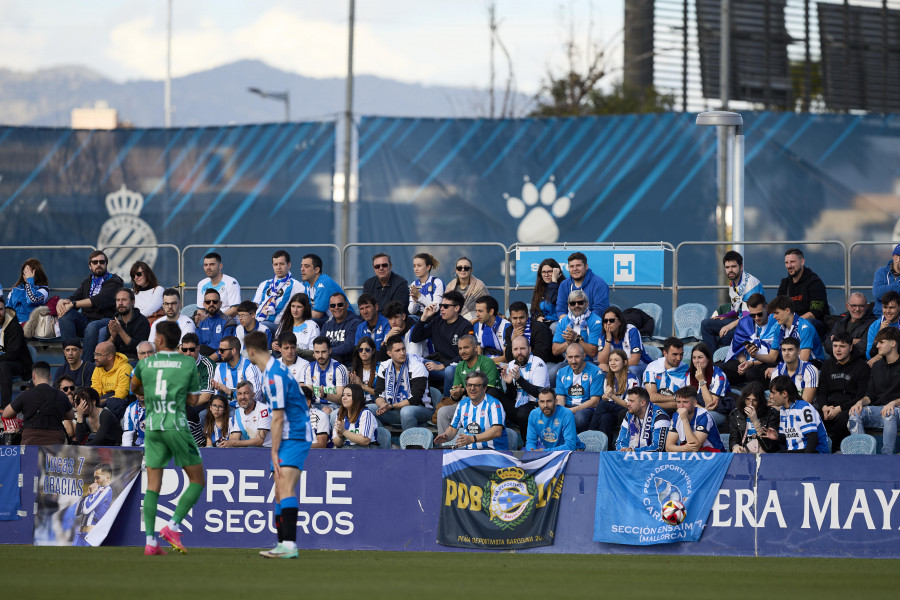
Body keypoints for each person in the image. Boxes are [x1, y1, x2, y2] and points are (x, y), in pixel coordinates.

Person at [133, 320, 206, 555]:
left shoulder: (145, 364)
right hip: (175, 425)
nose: (154, 340)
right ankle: (172, 526)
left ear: (161, 340)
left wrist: (153, 391)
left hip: (152, 427)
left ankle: (150, 542)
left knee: (153, 485)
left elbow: (135, 388)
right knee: (197, 480)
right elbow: (194, 401)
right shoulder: (187, 362)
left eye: (155, 337)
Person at [56, 251, 124, 359]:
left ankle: (86, 366)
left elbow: (99, 300)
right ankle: (71, 361)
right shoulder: (88, 281)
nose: (98, 264)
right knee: (66, 316)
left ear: (106, 264)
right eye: (95, 262)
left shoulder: (114, 281)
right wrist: (63, 301)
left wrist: (73, 304)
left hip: (106, 320)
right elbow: (75, 297)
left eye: (102, 262)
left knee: (91, 327)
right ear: (90, 266)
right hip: (86, 320)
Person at [409, 290, 475, 395]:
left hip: (455, 366)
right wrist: (423, 318)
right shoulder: (437, 321)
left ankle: (447, 401)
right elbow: (415, 338)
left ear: (457, 308)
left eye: (445, 306)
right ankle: (422, 400)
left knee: (449, 370)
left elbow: (467, 353)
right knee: (413, 362)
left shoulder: (465, 326)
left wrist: (442, 366)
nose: (442, 309)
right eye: (441, 305)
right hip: (438, 362)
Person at [848, 327, 900, 455]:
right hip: (881, 410)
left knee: (890, 413)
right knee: (855, 413)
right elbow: (871, 394)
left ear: (893, 343)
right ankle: (863, 455)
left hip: (896, 410)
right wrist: (860, 402)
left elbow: (892, 407)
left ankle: (886, 456)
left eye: (881, 342)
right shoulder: (876, 366)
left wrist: (893, 403)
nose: (877, 346)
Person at [436, 334, 503, 433]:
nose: (462, 351)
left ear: (475, 348)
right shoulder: (460, 366)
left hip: (489, 404)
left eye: (466, 347)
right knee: (443, 412)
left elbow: (488, 390)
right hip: (468, 402)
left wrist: (463, 390)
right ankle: (446, 446)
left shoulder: (487, 363)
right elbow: (456, 395)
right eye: (460, 348)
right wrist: (455, 394)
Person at [700, 250, 765, 351]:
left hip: (753, 324)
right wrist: (723, 316)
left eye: (733, 267)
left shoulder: (751, 284)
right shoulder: (732, 284)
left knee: (727, 335)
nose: (730, 270)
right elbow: (736, 311)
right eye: (727, 267)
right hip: (740, 321)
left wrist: (729, 326)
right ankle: (713, 360)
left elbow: (750, 316)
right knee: (706, 324)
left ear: (741, 267)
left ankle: (722, 360)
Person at [816, 332, 869, 450]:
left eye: (842, 346)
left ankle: (836, 452)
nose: (838, 350)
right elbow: (822, 392)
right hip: (831, 405)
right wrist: (825, 407)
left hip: (852, 406)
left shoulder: (862, 366)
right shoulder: (827, 365)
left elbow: (860, 396)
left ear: (850, 347)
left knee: (841, 420)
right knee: (815, 416)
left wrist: (839, 409)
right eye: (835, 346)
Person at [371, 335, 433, 430]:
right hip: (394, 409)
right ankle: (384, 440)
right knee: (368, 409)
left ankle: (410, 443)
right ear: (389, 353)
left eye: (403, 349)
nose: (402, 353)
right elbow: (378, 394)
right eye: (397, 350)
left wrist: (391, 406)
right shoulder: (384, 366)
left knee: (406, 411)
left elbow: (415, 399)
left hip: (420, 409)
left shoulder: (417, 366)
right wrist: (382, 405)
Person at [2, 361, 73, 445]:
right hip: (55, 443)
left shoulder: (25, 395)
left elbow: (6, 414)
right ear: (50, 376)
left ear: (33, 376)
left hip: (30, 442)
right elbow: (70, 416)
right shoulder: (61, 395)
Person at [434, 371, 508, 450]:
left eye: (477, 385)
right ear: (466, 387)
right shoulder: (462, 405)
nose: (472, 388)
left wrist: (472, 439)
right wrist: (446, 436)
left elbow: (497, 431)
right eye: (469, 385)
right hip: (470, 452)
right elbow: (452, 428)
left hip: (493, 451)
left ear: (484, 388)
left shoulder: (493, 404)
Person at [718, 293, 779, 385]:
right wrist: (743, 363)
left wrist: (752, 363)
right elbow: (737, 347)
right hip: (747, 361)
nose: (757, 318)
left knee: (752, 374)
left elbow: (775, 357)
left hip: (766, 363)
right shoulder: (744, 322)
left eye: (760, 314)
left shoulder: (777, 322)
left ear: (766, 307)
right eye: (753, 315)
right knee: (719, 369)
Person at [765, 375, 829, 453]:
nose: (771, 396)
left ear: (784, 393)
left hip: (816, 453)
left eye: (773, 393)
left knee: (777, 457)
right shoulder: (783, 410)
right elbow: (789, 438)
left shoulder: (804, 408)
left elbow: (813, 439)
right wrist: (777, 437)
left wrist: (803, 461)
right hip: (796, 453)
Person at [550, 289, 603, 384]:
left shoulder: (596, 321)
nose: (576, 306)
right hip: (569, 361)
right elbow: (555, 350)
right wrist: (568, 343)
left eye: (580, 302)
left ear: (587, 304)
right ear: (569, 305)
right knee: (552, 374)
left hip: (589, 362)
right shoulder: (563, 321)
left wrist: (577, 339)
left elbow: (593, 352)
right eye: (573, 303)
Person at [502, 335, 549, 439]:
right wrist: (509, 383)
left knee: (523, 412)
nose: (519, 352)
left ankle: (526, 443)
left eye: (522, 348)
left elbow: (539, 393)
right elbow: (512, 396)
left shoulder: (538, 363)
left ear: (529, 349)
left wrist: (519, 379)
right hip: (517, 405)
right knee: (494, 394)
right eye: (515, 349)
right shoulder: (511, 364)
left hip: (535, 404)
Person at [777, 248, 829, 336]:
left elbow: (815, 313)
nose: (789, 266)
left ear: (802, 262)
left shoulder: (814, 282)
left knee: (806, 324)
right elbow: (778, 308)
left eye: (792, 262)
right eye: (786, 263)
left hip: (813, 324)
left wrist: (793, 323)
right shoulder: (785, 283)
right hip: (789, 323)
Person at [555, 343, 604, 433]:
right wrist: (561, 412)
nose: (573, 361)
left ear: (584, 356)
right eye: (570, 357)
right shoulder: (561, 372)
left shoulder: (595, 371)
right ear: (566, 357)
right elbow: (560, 397)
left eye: (577, 357)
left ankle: (580, 444)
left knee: (579, 418)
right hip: (568, 407)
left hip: (587, 408)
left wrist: (573, 410)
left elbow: (595, 401)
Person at [179, 332, 216, 447]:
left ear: (198, 348)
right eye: (185, 350)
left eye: (191, 349)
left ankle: (199, 442)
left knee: (189, 411)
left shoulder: (207, 365)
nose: (188, 353)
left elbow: (206, 397)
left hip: (202, 402)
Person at [252, 250, 303, 331]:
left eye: (282, 264)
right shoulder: (264, 284)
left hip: (278, 325)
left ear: (289, 265)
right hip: (258, 320)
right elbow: (255, 305)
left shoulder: (297, 286)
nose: (278, 267)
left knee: (259, 327)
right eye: (276, 264)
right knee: (238, 324)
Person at [768, 295, 826, 366]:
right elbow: (772, 357)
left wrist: (779, 370)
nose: (774, 316)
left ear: (787, 311)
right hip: (789, 364)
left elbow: (804, 360)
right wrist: (754, 356)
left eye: (776, 313)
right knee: (758, 372)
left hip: (812, 364)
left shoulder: (805, 327)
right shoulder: (779, 328)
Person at [598, 306, 652, 378]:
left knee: (631, 370)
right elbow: (602, 361)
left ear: (620, 321)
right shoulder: (604, 334)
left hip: (640, 365)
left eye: (611, 320)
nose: (608, 323)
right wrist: (608, 340)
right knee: (599, 370)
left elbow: (635, 360)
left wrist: (612, 368)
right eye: (605, 321)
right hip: (616, 366)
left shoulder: (631, 331)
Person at [665, 386, 725, 452]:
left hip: (714, 453)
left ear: (694, 403)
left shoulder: (704, 416)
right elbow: (668, 447)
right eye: (678, 402)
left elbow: (695, 446)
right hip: (689, 452)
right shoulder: (676, 416)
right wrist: (684, 448)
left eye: (685, 402)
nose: (681, 406)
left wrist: (685, 420)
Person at [298, 336, 349, 413]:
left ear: (330, 351)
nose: (320, 356)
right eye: (317, 352)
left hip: (335, 405)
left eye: (323, 352)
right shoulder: (308, 368)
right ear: (313, 353)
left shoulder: (339, 369)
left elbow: (341, 398)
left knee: (326, 411)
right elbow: (308, 394)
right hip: (315, 404)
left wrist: (325, 395)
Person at [687, 343, 731, 428]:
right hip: (698, 407)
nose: (696, 361)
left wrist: (701, 381)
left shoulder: (719, 376)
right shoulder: (689, 374)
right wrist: (703, 409)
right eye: (694, 357)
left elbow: (711, 403)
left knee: (701, 418)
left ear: (708, 359)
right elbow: (686, 399)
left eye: (700, 357)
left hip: (716, 411)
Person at [727, 381, 780, 453]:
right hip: (744, 452)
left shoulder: (771, 414)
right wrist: (735, 447)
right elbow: (734, 438)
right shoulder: (736, 414)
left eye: (754, 400)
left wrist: (755, 421)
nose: (750, 404)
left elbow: (769, 447)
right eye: (747, 399)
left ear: (760, 401)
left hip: (764, 454)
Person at [554, 252, 610, 319]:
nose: (575, 269)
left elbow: (600, 310)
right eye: (571, 266)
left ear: (586, 267)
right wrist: (570, 323)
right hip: (569, 323)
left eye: (578, 265)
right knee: (554, 327)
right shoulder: (564, 285)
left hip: (592, 323)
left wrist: (581, 323)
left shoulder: (598, 283)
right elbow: (560, 310)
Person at [614, 386, 671, 452]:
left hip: (653, 461)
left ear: (642, 403)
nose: (628, 404)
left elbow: (657, 447)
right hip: (630, 459)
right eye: (628, 400)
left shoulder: (660, 417)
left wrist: (633, 451)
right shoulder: (629, 415)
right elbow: (621, 442)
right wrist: (623, 450)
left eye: (631, 401)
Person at [0, 294, 32, 408]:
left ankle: (5, 408)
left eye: (1, 309)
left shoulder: (14, 326)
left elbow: (13, 353)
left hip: (19, 363)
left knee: (4, 366)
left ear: (5, 309)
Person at [220, 380, 272, 448]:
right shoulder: (238, 412)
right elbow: (235, 438)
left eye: (246, 393)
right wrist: (227, 443)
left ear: (253, 395)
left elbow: (259, 441)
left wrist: (233, 443)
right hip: (252, 450)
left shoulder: (264, 410)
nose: (242, 397)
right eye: (239, 394)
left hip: (269, 450)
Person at [211, 336, 263, 404]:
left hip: (246, 409)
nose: (219, 353)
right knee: (203, 414)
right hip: (226, 408)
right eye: (218, 350)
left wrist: (231, 392)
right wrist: (220, 391)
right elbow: (217, 397)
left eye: (222, 350)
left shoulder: (249, 366)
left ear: (233, 351)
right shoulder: (219, 368)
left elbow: (255, 395)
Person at [642, 337, 688, 412]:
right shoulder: (652, 368)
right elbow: (651, 396)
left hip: (677, 412)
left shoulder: (686, 371)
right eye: (675, 354)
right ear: (665, 353)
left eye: (681, 354)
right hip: (652, 412)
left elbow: (685, 402)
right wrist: (675, 398)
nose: (679, 358)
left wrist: (655, 404)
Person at [767, 337, 819, 404]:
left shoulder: (810, 370)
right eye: (784, 350)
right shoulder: (777, 371)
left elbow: (806, 403)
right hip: (781, 410)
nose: (786, 353)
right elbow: (772, 400)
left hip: (804, 412)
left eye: (790, 350)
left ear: (798, 352)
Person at [73, 463, 113, 547]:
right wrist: (87, 495)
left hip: (90, 537)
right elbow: (77, 512)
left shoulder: (107, 490)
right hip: (80, 535)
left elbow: (87, 510)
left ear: (107, 478)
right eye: (95, 477)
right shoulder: (96, 490)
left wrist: (91, 495)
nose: (95, 481)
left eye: (97, 478)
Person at [299, 253, 347, 323]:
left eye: (306, 266)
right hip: (329, 319)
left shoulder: (323, 283)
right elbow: (308, 309)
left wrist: (296, 318)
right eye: (301, 266)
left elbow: (318, 314)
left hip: (345, 320)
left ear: (317, 270)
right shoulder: (307, 283)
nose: (302, 269)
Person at [824, 292, 875, 356]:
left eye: (861, 306)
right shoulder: (840, 322)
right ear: (847, 306)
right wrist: (851, 341)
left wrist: (837, 342)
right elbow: (828, 344)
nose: (857, 309)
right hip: (837, 363)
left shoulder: (873, 325)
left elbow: (863, 349)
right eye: (854, 305)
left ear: (867, 306)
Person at [106, 288, 151, 360]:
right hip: (114, 360)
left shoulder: (142, 321)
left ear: (133, 302)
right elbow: (105, 350)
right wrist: (113, 337)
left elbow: (138, 349)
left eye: (124, 300)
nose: (120, 303)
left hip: (133, 360)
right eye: (118, 300)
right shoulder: (114, 321)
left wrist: (120, 331)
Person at [90, 341, 132, 418]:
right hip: (103, 399)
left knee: (115, 403)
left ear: (109, 357)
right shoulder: (98, 368)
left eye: (98, 355)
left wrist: (102, 401)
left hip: (119, 402)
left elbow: (121, 395)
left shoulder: (125, 368)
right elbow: (95, 390)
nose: (95, 358)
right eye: (95, 354)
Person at [322, 293, 363, 367]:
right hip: (327, 364)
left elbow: (348, 347)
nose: (336, 308)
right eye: (333, 305)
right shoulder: (326, 326)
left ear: (347, 305)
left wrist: (327, 351)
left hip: (348, 366)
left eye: (340, 304)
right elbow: (320, 345)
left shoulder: (356, 323)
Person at [273, 293, 319, 358]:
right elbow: (277, 341)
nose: (295, 310)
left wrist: (297, 351)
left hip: (304, 362)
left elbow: (315, 352)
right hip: (284, 361)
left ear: (305, 308)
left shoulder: (312, 325)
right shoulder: (284, 323)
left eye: (299, 307)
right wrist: (274, 344)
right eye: (293, 306)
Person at [196, 252, 241, 317]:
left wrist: (216, 320)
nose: (208, 268)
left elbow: (235, 309)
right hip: (208, 322)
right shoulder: (201, 284)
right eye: (205, 265)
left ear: (220, 266)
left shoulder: (231, 282)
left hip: (227, 322)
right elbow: (201, 310)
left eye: (211, 264)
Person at [196, 289, 237, 359]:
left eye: (214, 302)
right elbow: (197, 346)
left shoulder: (229, 322)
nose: (211, 304)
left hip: (221, 359)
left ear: (220, 304)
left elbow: (225, 349)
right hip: (203, 358)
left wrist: (207, 363)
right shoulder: (201, 322)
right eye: (208, 302)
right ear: (204, 305)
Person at [6, 258, 49, 324]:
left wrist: (30, 280)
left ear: (37, 273)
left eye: (29, 272)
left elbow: (32, 300)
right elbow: (7, 308)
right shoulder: (15, 290)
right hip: (14, 326)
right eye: (24, 272)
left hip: (31, 326)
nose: (26, 275)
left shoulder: (44, 290)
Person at [864, 291, 900, 367]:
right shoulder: (875, 326)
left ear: (899, 307)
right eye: (885, 307)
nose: (888, 311)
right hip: (881, 366)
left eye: (891, 307)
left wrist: (879, 356)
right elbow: (869, 355)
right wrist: (880, 332)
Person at [444, 256, 486, 320]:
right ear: (456, 270)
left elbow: (485, 306)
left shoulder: (479, 286)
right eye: (459, 268)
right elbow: (446, 305)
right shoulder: (450, 286)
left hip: (474, 319)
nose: (463, 270)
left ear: (471, 270)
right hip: (453, 317)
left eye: (466, 268)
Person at [473, 294, 511, 359]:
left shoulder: (507, 326)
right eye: (476, 311)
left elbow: (506, 358)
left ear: (491, 311)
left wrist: (488, 363)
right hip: (484, 365)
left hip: (503, 365)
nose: (477, 315)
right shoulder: (476, 326)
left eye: (480, 311)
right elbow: (478, 355)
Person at [408, 252, 444, 317]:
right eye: (414, 266)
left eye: (419, 266)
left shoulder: (437, 282)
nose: (416, 269)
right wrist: (415, 301)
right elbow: (411, 311)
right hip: (420, 321)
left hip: (435, 321)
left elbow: (435, 309)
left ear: (428, 267)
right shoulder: (414, 284)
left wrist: (419, 296)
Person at [530, 258, 564, 323]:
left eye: (549, 271)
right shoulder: (539, 287)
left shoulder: (564, 285)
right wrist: (538, 317)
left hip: (558, 322)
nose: (546, 275)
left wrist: (554, 282)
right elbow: (533, 309)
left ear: (556, 272)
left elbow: (554, 300)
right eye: (543, 272)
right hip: (543, 322)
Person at [872, 243, 900, 316]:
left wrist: (886, 290)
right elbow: (877, 293)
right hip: (879, 315)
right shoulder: (881, 272)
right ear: (896, 258)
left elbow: (881, 293)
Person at [349, 336, 378, 404]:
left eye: (367, 349)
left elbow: (381, 393)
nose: (363, 352)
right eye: (360, 350)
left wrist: (362, 386)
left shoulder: (380, 368)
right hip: (358, 404)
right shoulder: (354, 369)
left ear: (373, 351)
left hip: (375, 403)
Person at [57, 375, 78, 441]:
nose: (69, 391)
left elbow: (70, 433)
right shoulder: (53, 407)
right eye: (65, 389)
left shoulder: (79, 409)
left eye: (72, 388)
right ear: (58, 391)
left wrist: (67, 406)